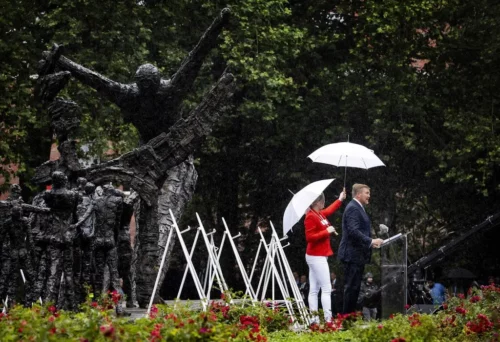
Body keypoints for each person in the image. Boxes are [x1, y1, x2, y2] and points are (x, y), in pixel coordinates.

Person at [338, 184, 383, 314]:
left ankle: (350, 317)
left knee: (355, 288)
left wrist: (370, 243)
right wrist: (370, 241)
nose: (369, 196)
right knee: (351, 288)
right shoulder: (353, 208)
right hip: (351, 255)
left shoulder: (359, 208)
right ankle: (346, 319)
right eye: (367, 193)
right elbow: (353, 231)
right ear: (358, 194)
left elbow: (359, 231)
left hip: (357, 256)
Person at [305, 189, 346, 324]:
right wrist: (326, 231)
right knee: (326, 289)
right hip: (316, 256)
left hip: (318, 255)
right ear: (318, 202)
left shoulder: (319, 214)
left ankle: (314, 320)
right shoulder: (311, 216)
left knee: (314, 290)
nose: (324, 203)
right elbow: (309, 238)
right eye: (323, 201)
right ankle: (328, 320)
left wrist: (340, 199)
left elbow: (329, 210)